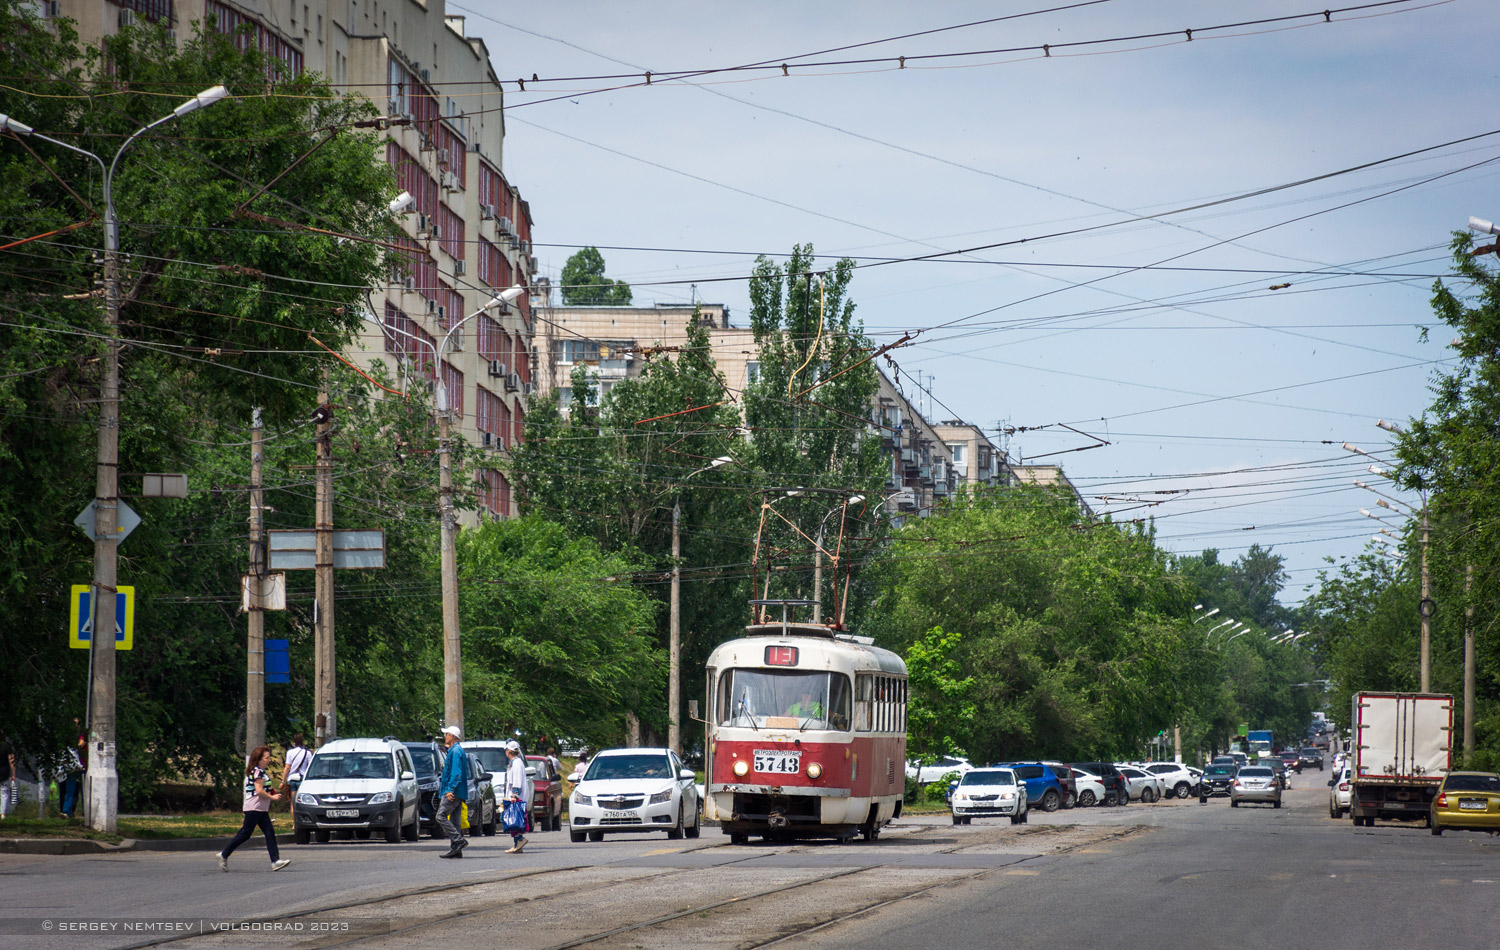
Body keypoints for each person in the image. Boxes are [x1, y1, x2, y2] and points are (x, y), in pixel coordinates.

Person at [217, 745, 291, 872]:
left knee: (269, 833)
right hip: (254, 808)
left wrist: (271, 791)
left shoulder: (260, 771)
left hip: (260, 808)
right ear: (258, 759)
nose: (269, 760)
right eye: (266, 758)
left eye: (269, 757)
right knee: (245, 834)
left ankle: (275, 861)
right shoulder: (258, 772)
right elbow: (259, 790)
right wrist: (272, 797)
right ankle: (224, 854)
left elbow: (263, 788)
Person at [435, 725, 469, 859]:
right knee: (455, 821)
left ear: (453, 736)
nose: (445, 737)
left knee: (440, 816)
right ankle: (456, 850)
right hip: (458, 791)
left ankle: (459, 841)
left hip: (453, 791)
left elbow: (456, 773)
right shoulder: (456, 750)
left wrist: (450, 789)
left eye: (447, 734)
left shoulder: (455, 751)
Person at [501, 740, 532, 854]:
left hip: (516, 797)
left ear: (509, 751)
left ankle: (520, 840)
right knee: (513, 819)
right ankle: (517, 845)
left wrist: (514, 795)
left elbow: (517, 780)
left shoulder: (517, 763)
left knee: (514, 820)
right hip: (512, 796)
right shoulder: (513, 762)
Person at [283, 734, 312, 810]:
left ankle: (294, 818)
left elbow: (287, 767)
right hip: (302, 779)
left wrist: (283, 781)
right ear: (302, 742)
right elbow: (310, 767)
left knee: (293, 803)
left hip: (292, 779)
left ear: (294, 743)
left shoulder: (290, 752)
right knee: (303, 802)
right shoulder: (307, 753)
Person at [0, 733, 16, 819]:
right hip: (4, 772)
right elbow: (12, 761)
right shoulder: (7, 747)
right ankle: (3, 813)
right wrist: (13, 774)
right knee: (4, 793)